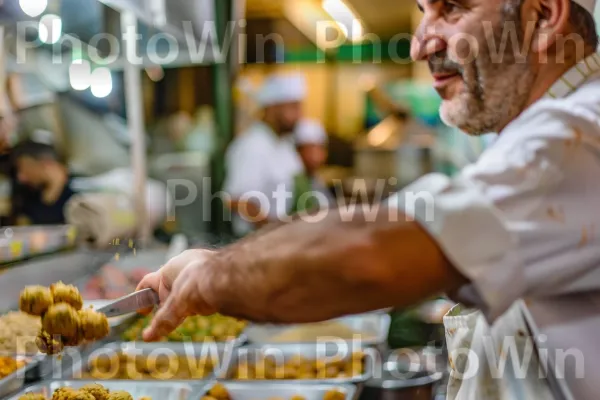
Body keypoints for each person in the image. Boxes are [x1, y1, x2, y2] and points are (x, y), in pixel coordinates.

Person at [139, 0, 600, 398]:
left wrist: (212, 276)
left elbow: (369, 255)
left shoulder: (580, 135)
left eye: (452, 9)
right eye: (423, 12)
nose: (421, 45)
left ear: (543, 16)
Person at [224, 73, 305, 236]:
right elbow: (235, 200)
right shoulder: (253, 145)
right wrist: (272, 233)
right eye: (292, 107)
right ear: (272, 108)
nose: (298, 115)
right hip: (257, 243)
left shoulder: (284, 144)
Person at [11, 139, 76, 225]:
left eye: (27, 169)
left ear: (46, 163)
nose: (21, 177)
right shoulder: (28, 199)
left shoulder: (80, 197)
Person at [290, 119, 334, 214]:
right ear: (298, 151)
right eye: (311, 150)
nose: (317, 156)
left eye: (320, 148)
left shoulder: (315, 179)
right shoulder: (296, 181)